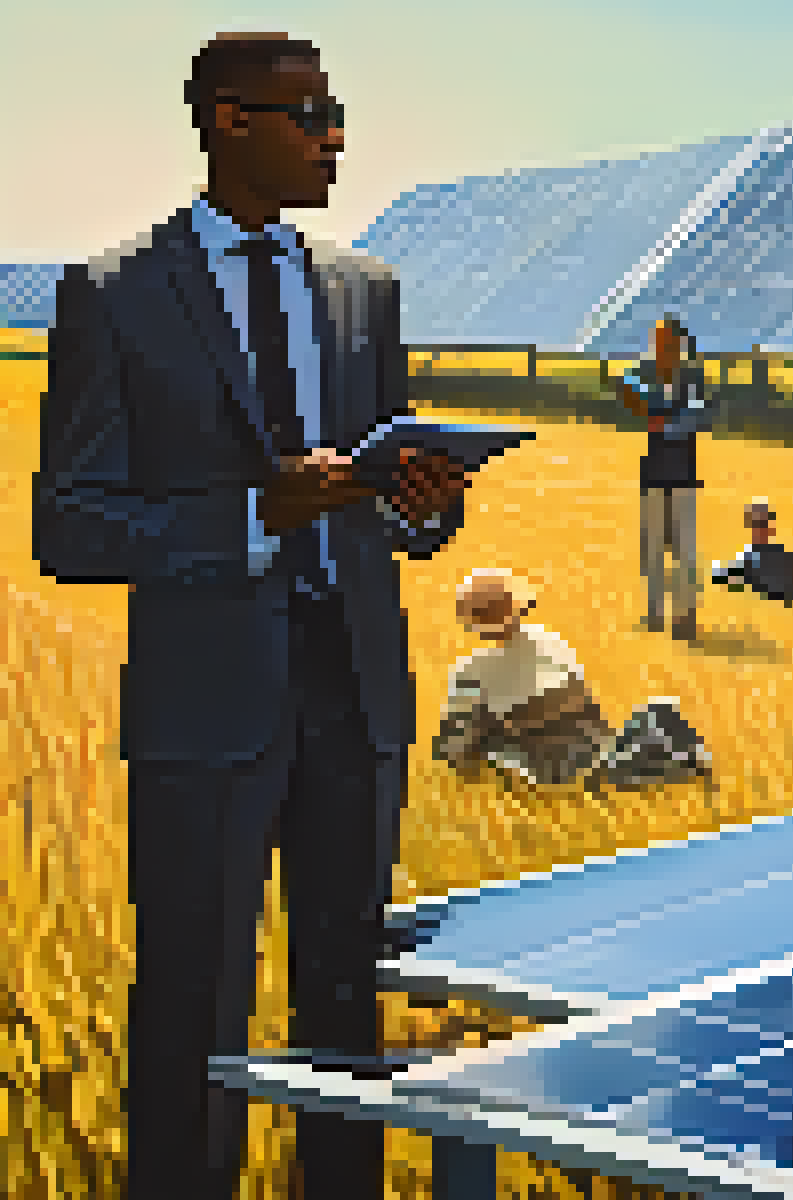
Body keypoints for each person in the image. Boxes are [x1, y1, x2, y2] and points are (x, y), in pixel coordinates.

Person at [31, 34, 471, 1199]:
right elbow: (69, 525)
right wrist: (251, 518)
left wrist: (426, 507)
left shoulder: (365, 290)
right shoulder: (116, 293)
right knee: (192, 1002)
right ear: (228, 120)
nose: (336, 139)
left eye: (337, 115)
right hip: (206, 710)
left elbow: (388, 495)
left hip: (359, 698)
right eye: (310, 115)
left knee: (347, 1004)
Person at [434, 569, 617, 786]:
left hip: (536, 768)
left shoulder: (471, 670)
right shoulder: (553, 643)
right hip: (595, 754)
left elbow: (454, 746)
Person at [615, 315, 711, 641]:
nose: (657, 347)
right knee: (652, 547)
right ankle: (655, 612)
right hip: (653, 473)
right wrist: (647, 402)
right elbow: (626, 382)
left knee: (684, 550)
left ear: (677, 345)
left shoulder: (693, 380)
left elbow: (697, 418)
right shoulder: (647, 375)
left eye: (664, 341)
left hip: (683, 476)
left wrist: (662, 422)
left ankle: (685, 615)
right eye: (655, 341)